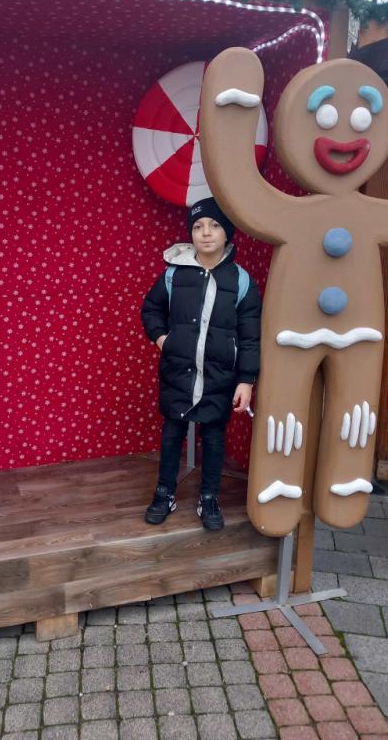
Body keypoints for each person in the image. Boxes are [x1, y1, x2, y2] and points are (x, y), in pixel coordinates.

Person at [141, 196, 262, 530]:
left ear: (227, 233)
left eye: (214, 225)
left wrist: (246, 380)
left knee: (213, 437)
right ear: (190, 233)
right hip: (178, 371)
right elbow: (151, 309)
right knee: (171, 434)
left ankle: (209, 496)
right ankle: (164, 492)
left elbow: (251, 336)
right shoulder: (173, 274)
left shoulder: (241, 281)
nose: (206, 233)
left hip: (219, 376)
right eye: (198, 226)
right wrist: (163, 340)